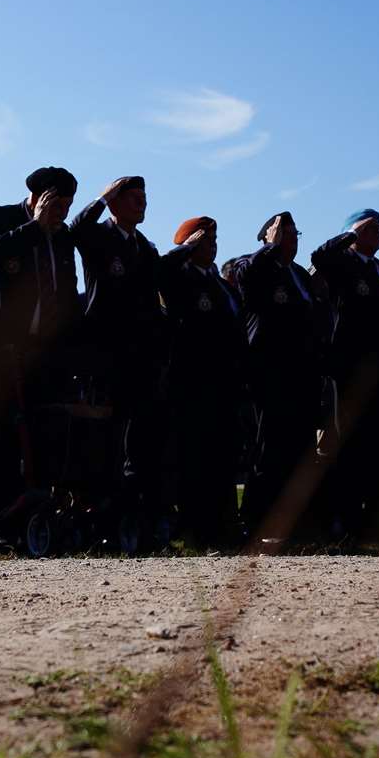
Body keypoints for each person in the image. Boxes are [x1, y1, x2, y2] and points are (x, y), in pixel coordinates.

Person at [0, 166, 82, 514]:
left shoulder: (61, 237)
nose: (62, 214)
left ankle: (41, 509)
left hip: (44, 351)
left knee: (47, 428)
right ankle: (2, 512)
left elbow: (67, 290)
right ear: (37, 199)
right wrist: (35, 226)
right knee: (3, 430)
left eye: (67, 206)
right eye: (56, 205)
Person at [70, 175, 166, 523]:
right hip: (106, 352)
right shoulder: (100, 236)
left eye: (144, 197)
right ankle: (103, 510)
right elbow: (76, 229)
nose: (142, 204)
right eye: (133, 198)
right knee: (107, 434)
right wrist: (101, 198)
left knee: (140, 437)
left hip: (141, 355)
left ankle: (138, 511)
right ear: (114, 203)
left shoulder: (146, 247)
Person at [310, 208, 379, 541]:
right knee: (348, 447)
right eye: (371, 227)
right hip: (349, 372)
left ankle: (373, 522)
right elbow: (319, 256)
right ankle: (344, 522)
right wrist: (350, 235)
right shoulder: (342, 264)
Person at [160, 216, 247, 548]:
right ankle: (199, 531)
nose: (211, 244)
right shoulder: (179, 280)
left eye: (213, 239)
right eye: (204, 240)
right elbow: (159, 272)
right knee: (196, 462)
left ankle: (224, 527)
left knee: (224, 461)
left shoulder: (223, 287)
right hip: (193, 385)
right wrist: (184, 249)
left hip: (225, 386)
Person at [235, 211, 321, 543]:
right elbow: (243, 279)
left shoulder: (299, 274)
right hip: (269, 373)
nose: (292, 240)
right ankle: (256, 521)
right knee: (268, 449)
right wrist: (269, 248)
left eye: (295, 234)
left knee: (299, 451)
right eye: (285, 235)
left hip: (301, 375)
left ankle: (294, 523)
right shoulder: (256, 266)